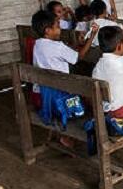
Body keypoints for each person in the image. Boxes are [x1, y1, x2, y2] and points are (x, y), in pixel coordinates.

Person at [31, 9, 97, 147]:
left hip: (40, 97)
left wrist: (77, 45)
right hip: (58, 101)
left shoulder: (37, 45)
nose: (60, 29)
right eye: (57, 26)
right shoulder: (58, 46)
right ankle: (66, 134)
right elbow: (79, 57)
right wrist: (91, 38)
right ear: (48, 30)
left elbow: (63, 52)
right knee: (88, 100)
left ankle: (58, 133)